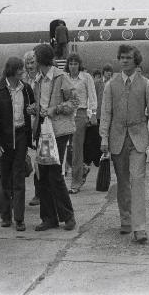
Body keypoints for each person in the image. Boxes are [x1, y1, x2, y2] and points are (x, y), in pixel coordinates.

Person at [100, 45, 149, 243]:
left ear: (136, 61)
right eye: (122, 58)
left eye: (128, 58)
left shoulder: (146, 84)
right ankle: (126, 219)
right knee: (123, 182)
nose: (124, 61)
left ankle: (140, 227)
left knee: (137, 180)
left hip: (139, 139)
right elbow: (106, 113)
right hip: (117, 138)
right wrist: (103, 138)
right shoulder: (111, 84)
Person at [30, 43, 78, 231]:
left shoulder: (61, 77)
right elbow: (39, 103)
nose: (32, 61)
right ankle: (49, 217)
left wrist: (54, 110)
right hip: (43, 129)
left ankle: (68, 216)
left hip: (58, 130)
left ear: (41, 59)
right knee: (42, 175)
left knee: (55, 174)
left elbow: (74, 102)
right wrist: (35, 109)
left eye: (34, 57)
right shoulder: (38, 80)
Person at [0, 57, 35, 231]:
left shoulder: (26, 89)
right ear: (12, 70)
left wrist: (33, 110)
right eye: (20, 69)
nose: (23, 71)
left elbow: (32, 107)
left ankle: (20, 218)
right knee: (4, 178)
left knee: (19, 178)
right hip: (4, 139)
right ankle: (5, 215)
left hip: (21, 136)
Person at [64, 53, 97, 194]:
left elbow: (92, 95)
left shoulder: (86, 77)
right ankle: (82, 169)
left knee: (77, 149)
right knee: (67, 148)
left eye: (75, 63)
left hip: (80, 114)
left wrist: (93, 113)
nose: (73, 66)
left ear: (79, 65)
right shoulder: (64, 78)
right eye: (70, 64)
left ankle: (76, 183)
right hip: (66, 114)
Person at [22, 50, 41, 207]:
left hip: (39, 124)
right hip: (27, 123)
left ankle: (38, 193)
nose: (30, 66)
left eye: (32, 63)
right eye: (27, 64)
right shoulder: (23, 79)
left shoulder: (41, 79)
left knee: (39, 161)